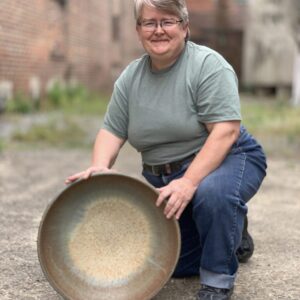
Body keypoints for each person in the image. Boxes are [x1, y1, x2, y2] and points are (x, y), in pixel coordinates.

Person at [65, 0, 267, 299]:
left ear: (185, 27)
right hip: (164, 180)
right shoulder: (130, 79)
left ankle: (217, 282)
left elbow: (226, 132)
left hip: (227, 158)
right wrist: (100, 167)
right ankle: (230, 232)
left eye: (168, 21)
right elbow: (111, 130)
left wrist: (188, 182)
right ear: (138, 31)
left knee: (213, 194)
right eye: (149, 23)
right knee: (173, 263)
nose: (158, 30)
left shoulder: (208, 66)